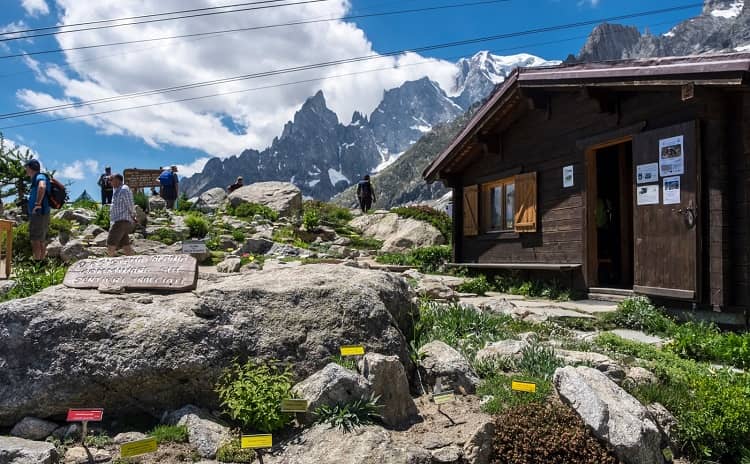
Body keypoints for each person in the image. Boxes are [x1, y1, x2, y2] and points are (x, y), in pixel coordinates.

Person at [25, 159, 50, 261]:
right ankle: (41, 263)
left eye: (26, 168)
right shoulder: (38, 177)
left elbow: (42, 186)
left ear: (30, 168)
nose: (26, 170)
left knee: (35, 239)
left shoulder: (39, 177)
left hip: (39, 213)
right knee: (41, 240)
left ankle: (37, 263)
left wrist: (37, 204)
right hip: (42, 212)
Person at [107, 173, 136, 257]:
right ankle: (133, 261)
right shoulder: (118, 190)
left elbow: (130, 204)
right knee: (125, 244)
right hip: (119, 220)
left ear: (117, 180)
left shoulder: (123, 189)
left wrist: (133, 215)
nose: (109, 182)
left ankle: (108, 264)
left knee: (110, 242)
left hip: (121, 221)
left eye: (111, 179)